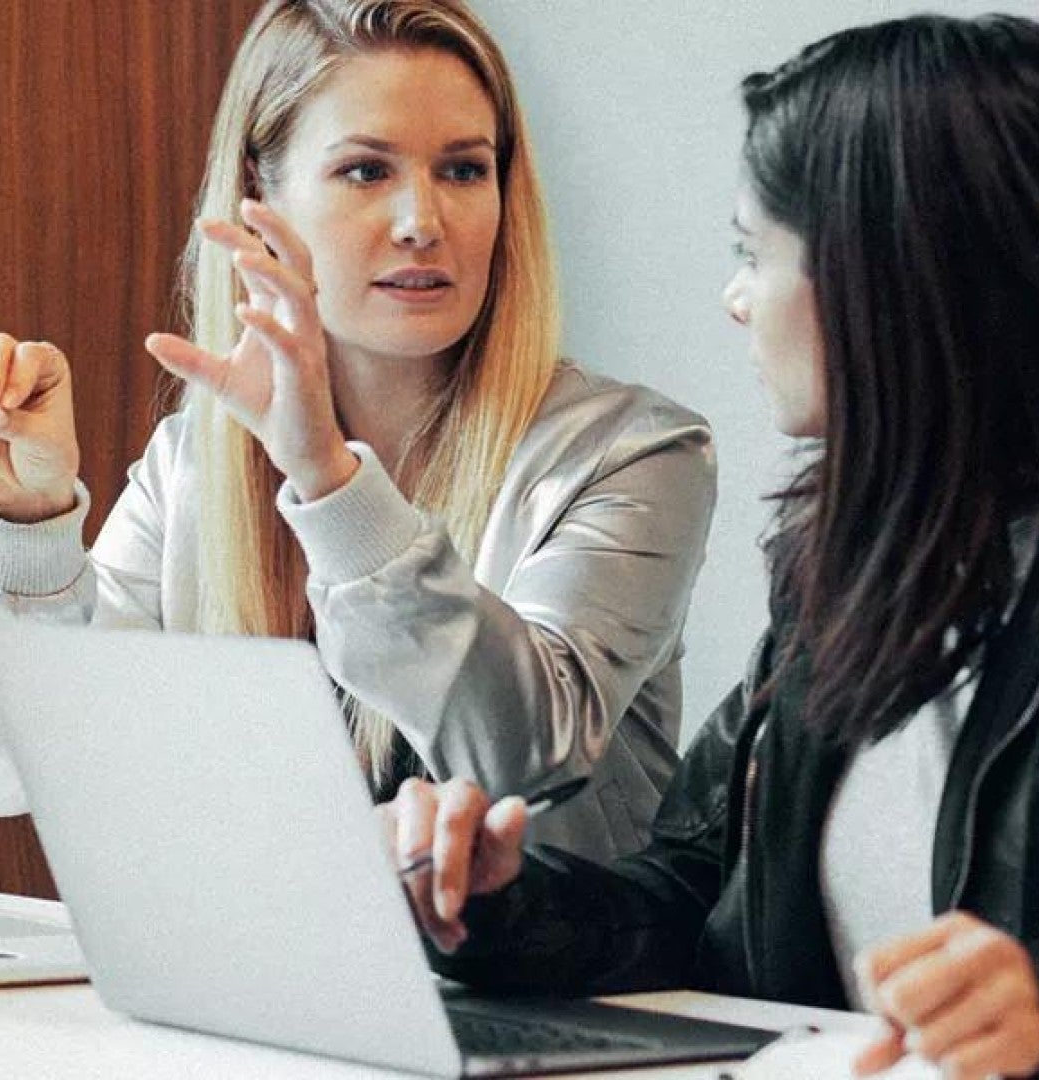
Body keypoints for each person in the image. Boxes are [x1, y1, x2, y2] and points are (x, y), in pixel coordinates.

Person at [387, 13, 1039, 1080]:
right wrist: (497, 902)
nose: (736, 302)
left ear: (895, 275)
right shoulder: (846, 578)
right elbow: (688, 898)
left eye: (756, 254)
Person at [0, 0, 718, 863]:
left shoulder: (633, 452)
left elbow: (524, 759)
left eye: (463, 171)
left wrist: (329, 482)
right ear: (259, 201)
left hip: (543, 992)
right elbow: (18, 770)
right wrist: (31, 524)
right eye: (366, 172)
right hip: (275, 980)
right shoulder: (192, 466)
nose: (422, 221)